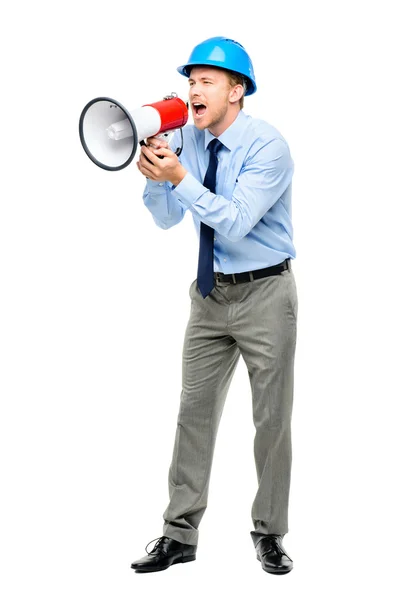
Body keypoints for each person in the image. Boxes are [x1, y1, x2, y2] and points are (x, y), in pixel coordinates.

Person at [130, 36, 298, 575]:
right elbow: (165, 218)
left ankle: (269, 533)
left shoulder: (268, 146)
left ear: (237, 91)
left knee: (270, 419)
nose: (193, 92)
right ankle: (179, 535)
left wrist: (179, 178)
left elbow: (235, 219)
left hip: (266, 294)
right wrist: (161, 173)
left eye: (205, 82)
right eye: (190, 82)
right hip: (210, 293)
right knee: (193, 414)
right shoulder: (190, 138)